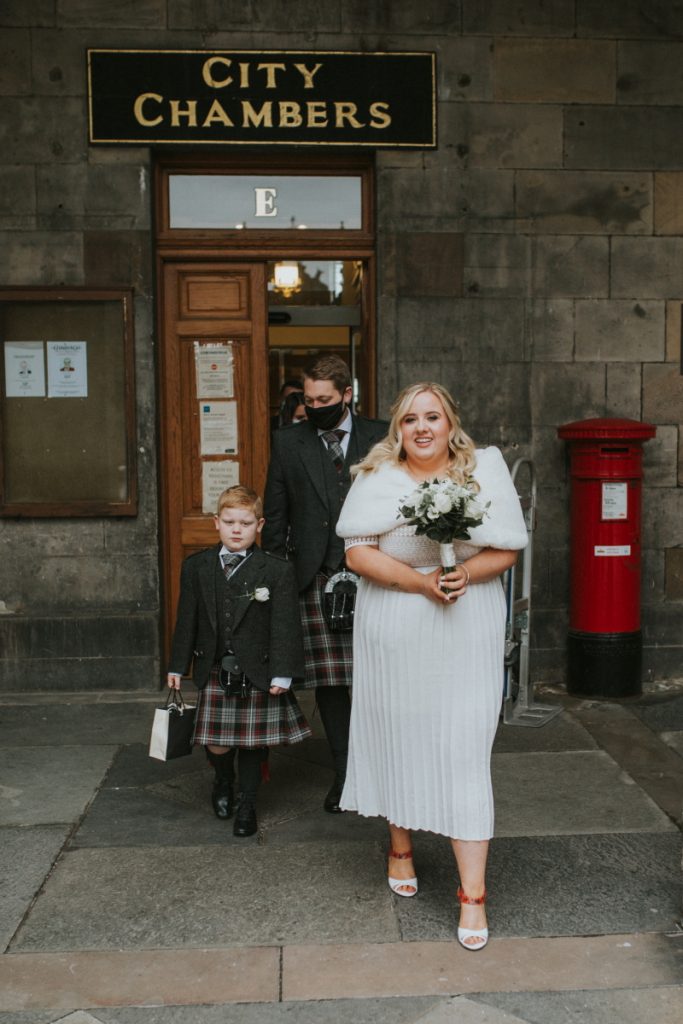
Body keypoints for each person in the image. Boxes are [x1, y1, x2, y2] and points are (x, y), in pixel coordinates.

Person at [335, 382, 528, 950]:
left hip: (467, 626)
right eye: (410, 419)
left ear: (451, 424)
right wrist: (420, 582)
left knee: (465, 750)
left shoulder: (482, 470)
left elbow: (508, 545)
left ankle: (473, 896)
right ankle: (400, 844)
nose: (422, 428)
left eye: (433, 417)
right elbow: (356, 550)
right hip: (395, 624)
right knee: (401, 737)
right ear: (398, 428)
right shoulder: (377, 477)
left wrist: (465, 574)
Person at [262, 355, 387, 812]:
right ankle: (346, 774)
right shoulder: (288, 442)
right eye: (309, 400)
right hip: (314, 575)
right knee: (333, 685)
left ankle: (383, 769)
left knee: (380, 677)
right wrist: (276, 582)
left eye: (325, 400)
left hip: (378, 573)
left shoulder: (382, 436)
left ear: (347, 395)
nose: (315, 407)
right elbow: (275, 517)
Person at [167, 485, 312, 838]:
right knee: (217, 742)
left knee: (251, 743)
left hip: (257, 670)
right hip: (215, 667)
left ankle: (247, 803)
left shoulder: (276, 569)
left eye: (245, 523)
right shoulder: (197, 567)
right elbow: (187, 620)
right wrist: (177, 665)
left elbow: (285, 625)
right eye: (229, 521)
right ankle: (222, 778)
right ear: (216, 522)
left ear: (259, 525)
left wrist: (283, 671)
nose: (236, 529)